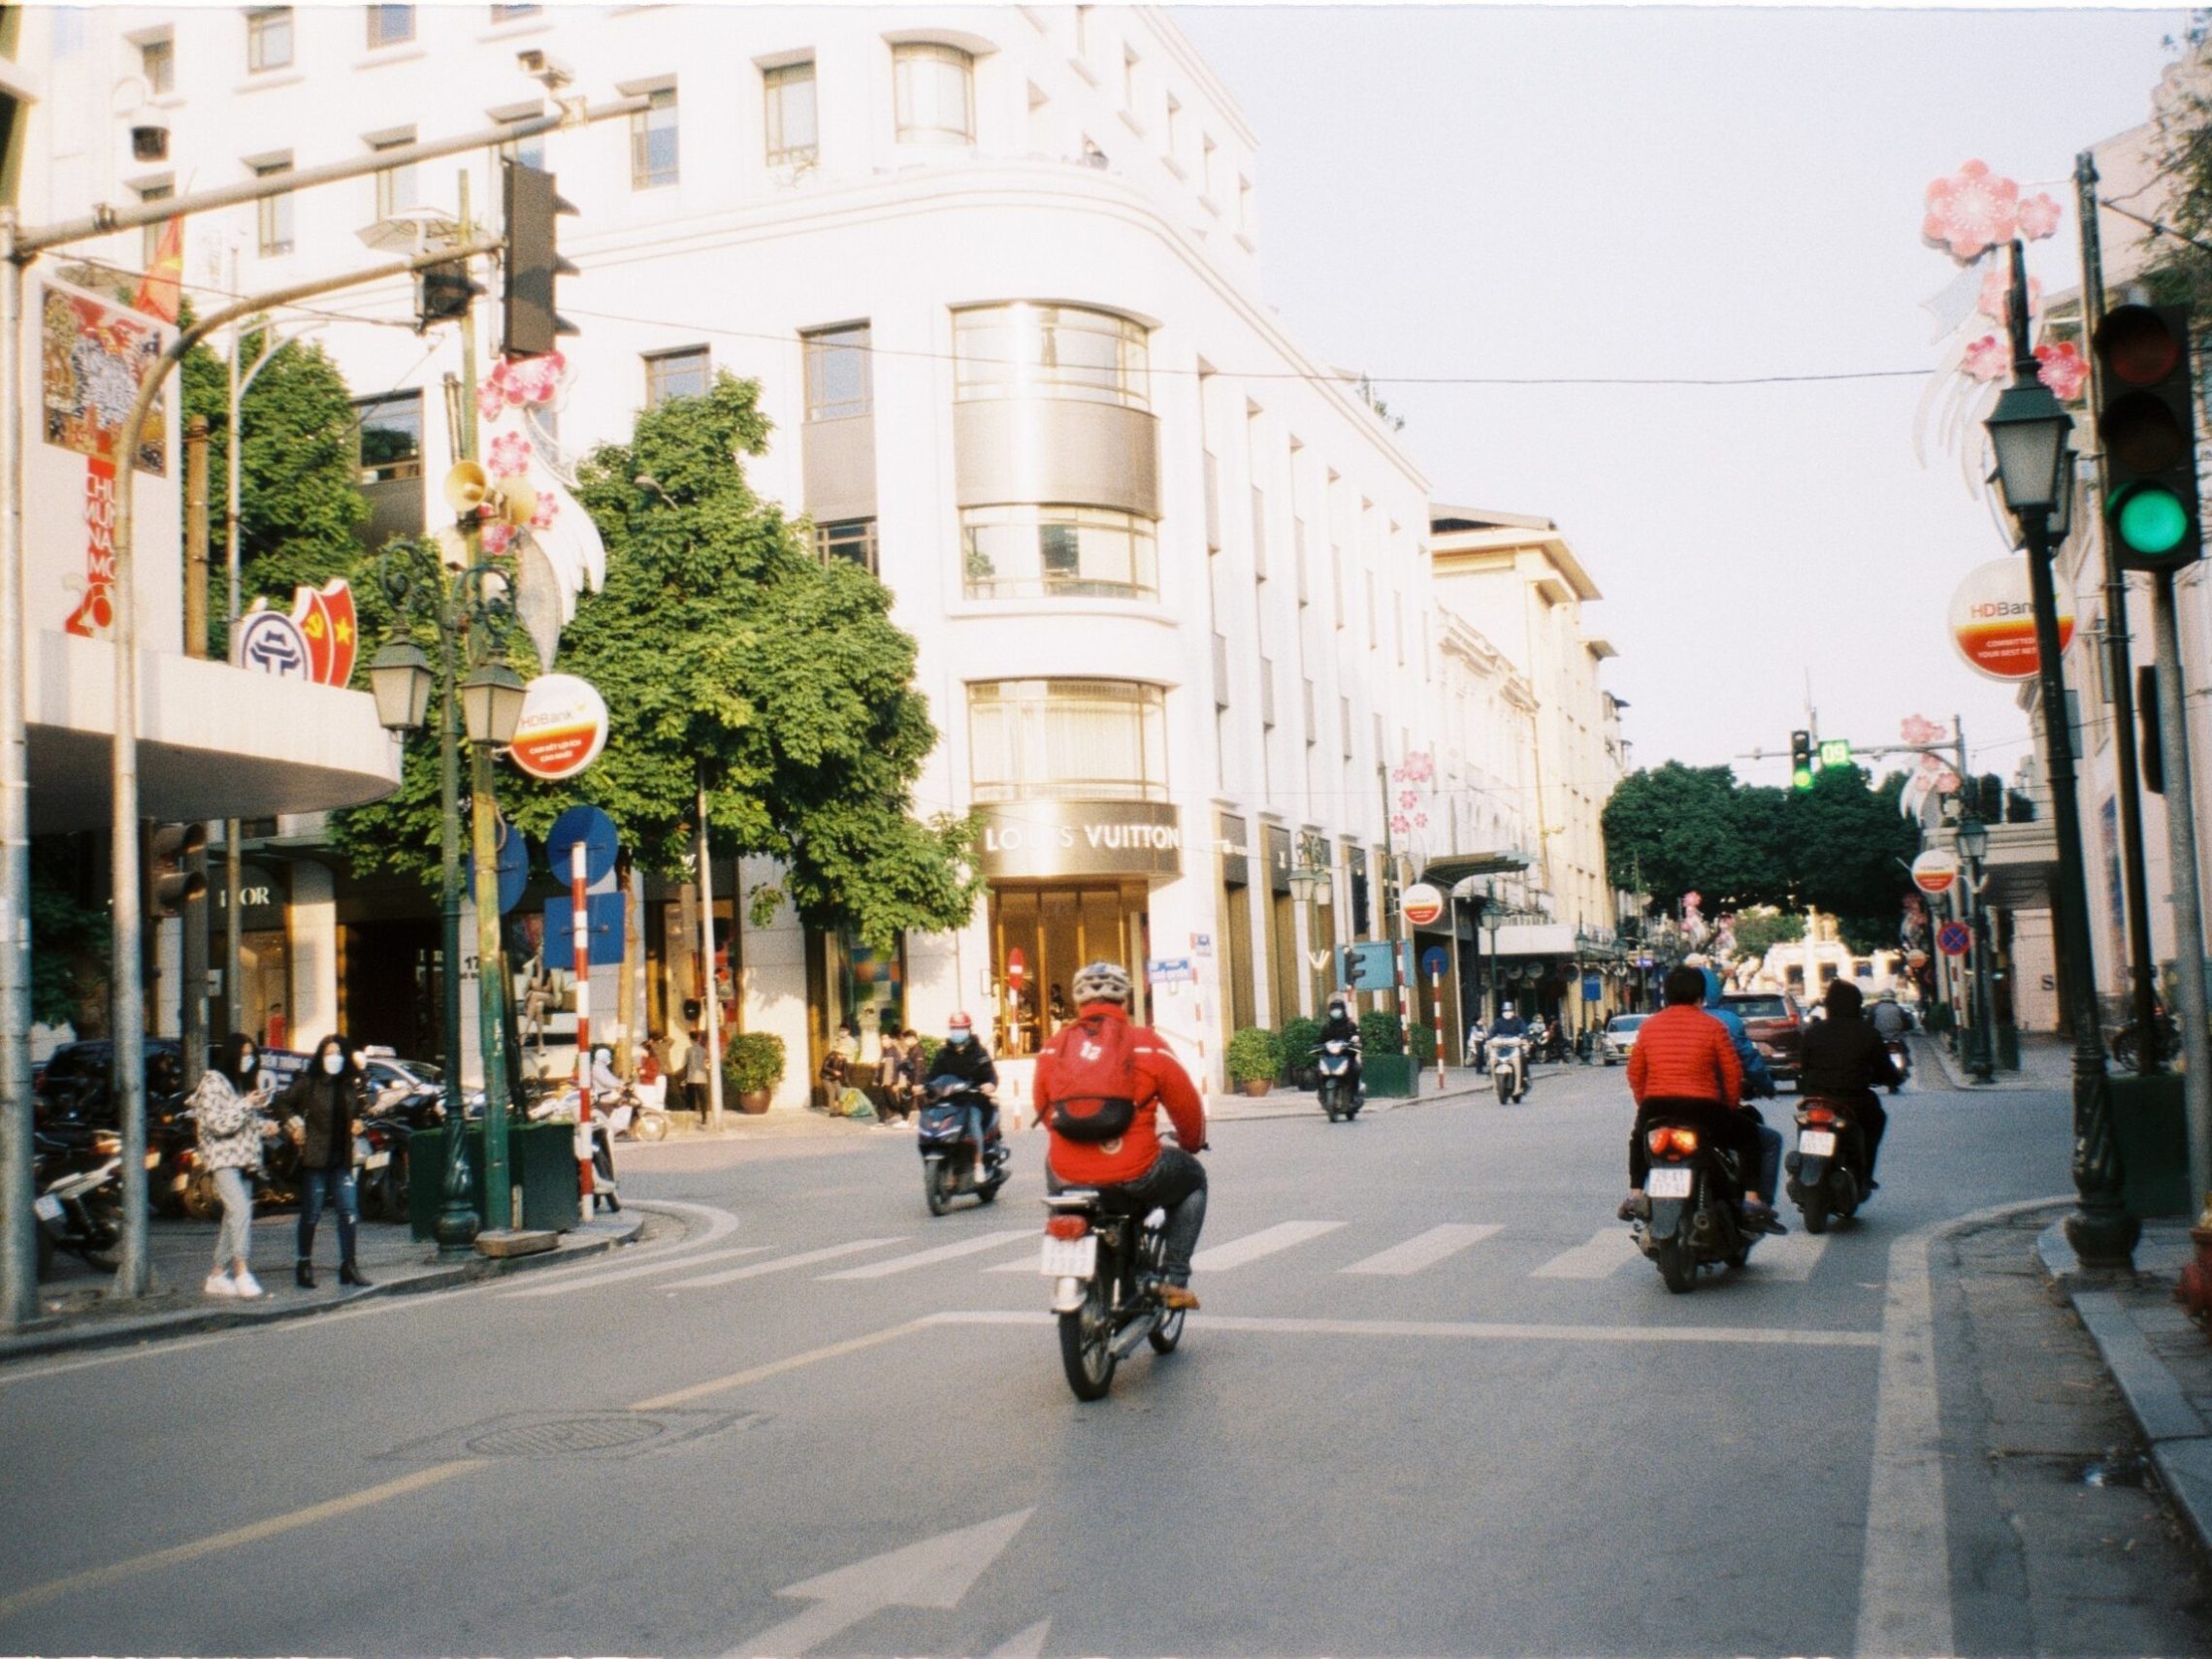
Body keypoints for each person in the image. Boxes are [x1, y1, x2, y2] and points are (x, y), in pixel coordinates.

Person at [1035, 960, 1209, 1311]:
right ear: (1126, 1001)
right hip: (1136, 1170)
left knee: (1053, 1165)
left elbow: (1043, 1108)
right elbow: (1187, 1108)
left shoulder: (1055, 1047)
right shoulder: (1148, 1045)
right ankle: (1175, 1281)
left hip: (1066, 1173)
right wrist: (1190, 1143)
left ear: (1077, 1002)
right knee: (1194, 1181)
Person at [1622, 966, 1784, 1233]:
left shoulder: (1649, 1027)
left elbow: (1635, 1072)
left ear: (1666, 995)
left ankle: (1636, 1193)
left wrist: (1646, 1105)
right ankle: (1752, 1199)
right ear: (1701, 997)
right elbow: (1732, 1073)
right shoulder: (1714, 1026)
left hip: (1656, 1107)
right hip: (1703, 1109)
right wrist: (1729, 1108)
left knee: (1639, 1140)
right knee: (1750, 1138)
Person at [276, 1034, 372, 1289]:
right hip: (316, 1160)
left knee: (349, 1212)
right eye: (329, 1052)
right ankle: (304, 1263)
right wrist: (295, 1126)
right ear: (321, 1056)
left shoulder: (350, 1087)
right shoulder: (309, 1084)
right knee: (312, 1214)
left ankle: (349, 1265)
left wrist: (359, 1123)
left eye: (338, 1052)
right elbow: (282, 1102)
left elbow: (359, 1114)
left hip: (341, 1161)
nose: (334, 1057)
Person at [191, 1032, 278, 1300]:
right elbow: (218, 1124)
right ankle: (241, 1271)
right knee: (240, 1211)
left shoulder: (241, 1085)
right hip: (222, 1159)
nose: (248, 1059)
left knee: (233, 1218)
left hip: (245, 1160)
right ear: (231, 1055)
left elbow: (244, 1125)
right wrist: (246, 1104)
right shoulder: (212, 1083)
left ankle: (217, 1274)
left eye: (251, 1055)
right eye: (243, 1054)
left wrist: (265, 1126)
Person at [1700, 967, 1784, 1220]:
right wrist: (1765, 1087)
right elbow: (1744, 1063)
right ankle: (1756, 1201)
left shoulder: (1660, 1022)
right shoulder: (1725, 1022)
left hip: (1661, 1111)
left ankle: (1639, 1195)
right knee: (1766, 1140)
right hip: (1713, 1108)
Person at [1798, 979, 1900, 1187]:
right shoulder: (1868, 1034)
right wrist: (1892, 1078)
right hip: (1853, 1101)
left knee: (1804, 1124)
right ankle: (1864, 1174)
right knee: (1876, 1119)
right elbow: (1884, 1068)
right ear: (1856, 1004)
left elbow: (1804, 1066)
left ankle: (1802, 1166)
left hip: (1816, 1100)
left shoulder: (1813, 1032)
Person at [924, 1012, 1001, 1150]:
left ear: (968, 1029)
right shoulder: (943, 1054)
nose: (957, 1032)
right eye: (954, 1029)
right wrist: (925, 1086)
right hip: (948, 1100)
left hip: (973, 1099)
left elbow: (991, 1075)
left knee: (973, 1119)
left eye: (961, 1028)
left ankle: (979, 1165)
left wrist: (990, 1084)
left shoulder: (979, 1052)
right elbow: (933, 1075)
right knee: (931, 1121)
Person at [1316, 993, 1363, 1102]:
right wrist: (1318, 1047)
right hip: (1330, 1058)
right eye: (1333, 1009)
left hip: (1347, 1057)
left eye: (1338, 1009)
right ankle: (1322, 1093)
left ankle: (1354, 1094)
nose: (1335, 1011)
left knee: (1356, 1069)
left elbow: (1358, 1038)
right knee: (1318, 1070)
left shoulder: (1350, 1026)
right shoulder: (1326, 1027)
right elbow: (1320, 1041)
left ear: (1343, 1010)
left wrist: (1356, 1043)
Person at [682, 1028, 711, 1121]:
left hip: (691, 1076)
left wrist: (684, 1076)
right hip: (701, 1076)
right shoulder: (703, 1050)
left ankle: (692, 1114)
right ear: (698, 1039)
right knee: (702, 1097)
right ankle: (704, 1116)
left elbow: (685, 1063)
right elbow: (706, 1062)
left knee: (691, 1097)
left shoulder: (688, 1050)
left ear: (690, 1040)